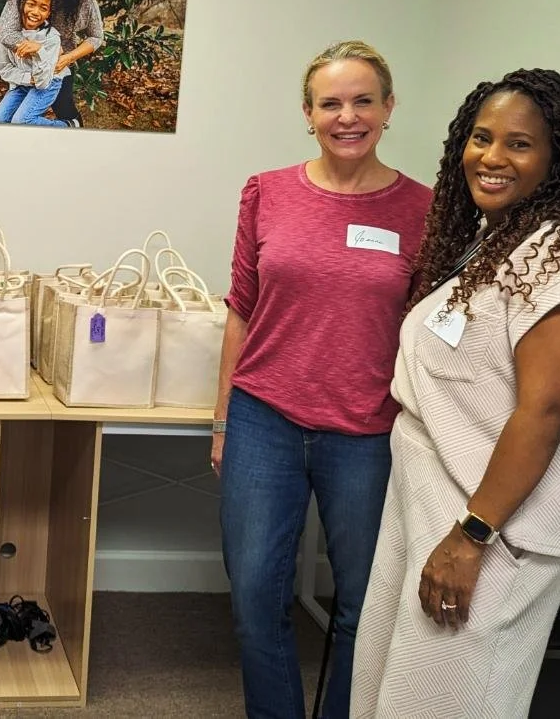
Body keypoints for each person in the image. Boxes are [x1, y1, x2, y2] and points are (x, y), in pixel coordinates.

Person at [351, 69, 560, 719]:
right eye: (481, 137)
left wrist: (471, 536)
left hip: (490, 532)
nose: (491, 157)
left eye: (519, 144)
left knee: (450, 701)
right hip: (432, 499)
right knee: (398, 693)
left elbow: (547, 411)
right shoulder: (502, 243)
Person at [213, 40, 433, 719]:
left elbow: (426, 331)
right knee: (256, 599)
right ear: (307, 113)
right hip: (263, 419)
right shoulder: (267, 191)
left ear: (389, 108)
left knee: (362, 607)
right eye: (330, 102)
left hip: (366, 431)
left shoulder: (424, 209)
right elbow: (241, 311)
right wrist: (221, 420)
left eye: (364, 100)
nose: (348, 116)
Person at [0, 0, 103, 127]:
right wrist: (41, 51)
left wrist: (67, 58)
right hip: (25, 69)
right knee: (14, 119)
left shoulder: (84, 0)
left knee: (64, 111)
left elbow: (96, 36)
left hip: (59, 68)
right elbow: (6, 33)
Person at [0, 0, 69, 126]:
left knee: (22, 120)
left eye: (43, 8)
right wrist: (27, 78)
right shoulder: (9, 34)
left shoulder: (52, 38)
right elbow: (4, 69)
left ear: (48, 13)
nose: (35, 12)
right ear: (22, 4)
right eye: (31, 4)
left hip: (49, 82)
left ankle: (66, 127)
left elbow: (44, 82)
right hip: (22, 83)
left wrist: (39, 51)